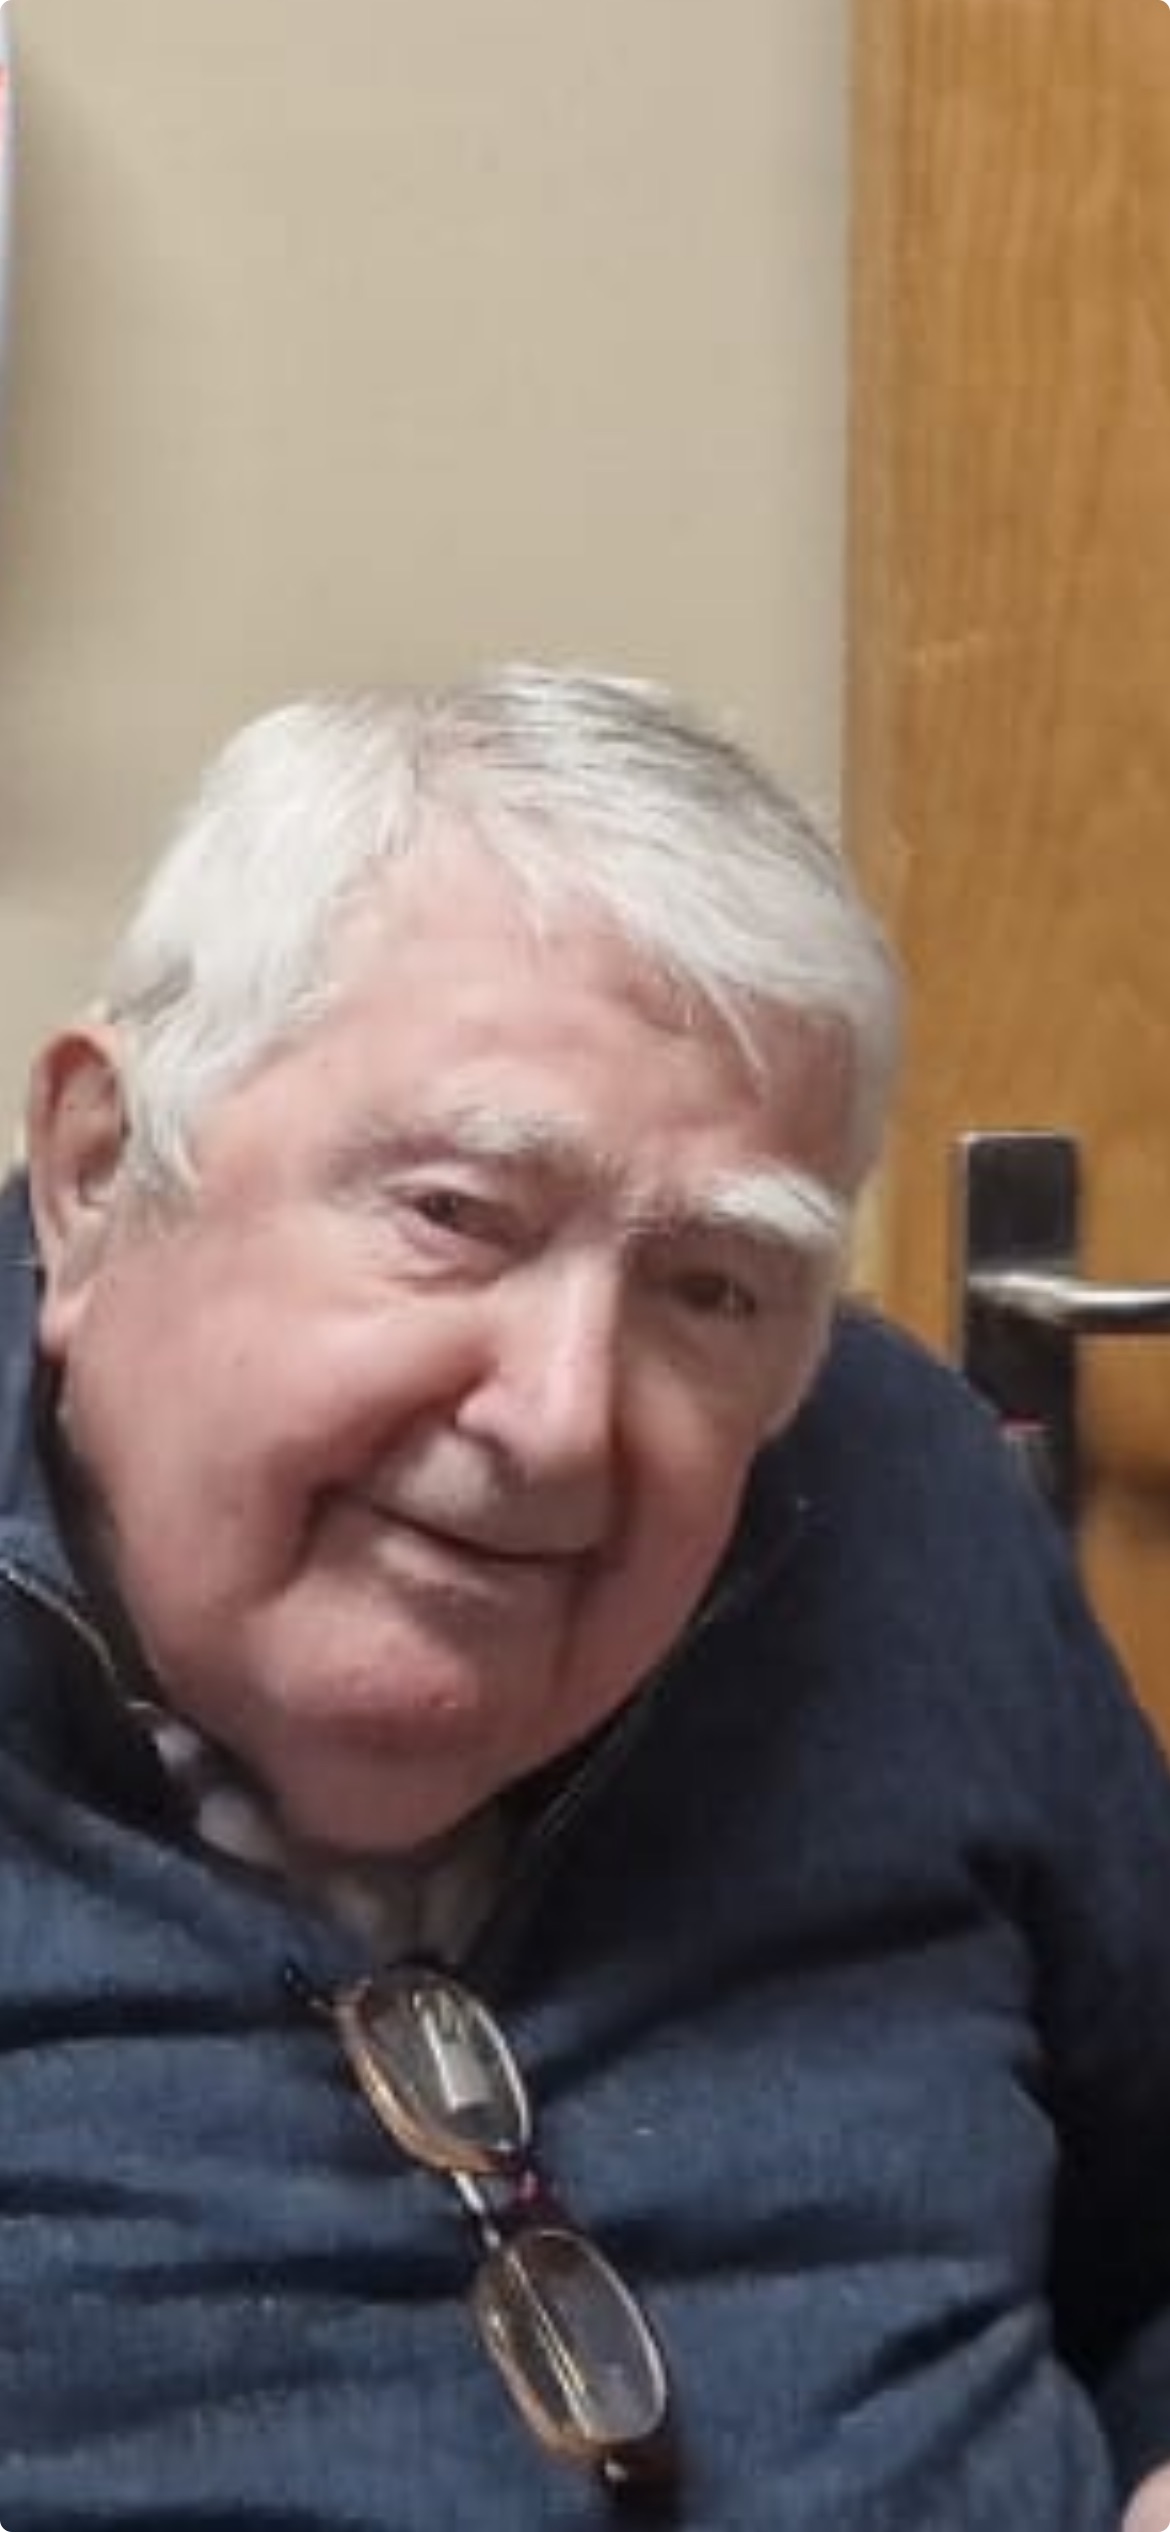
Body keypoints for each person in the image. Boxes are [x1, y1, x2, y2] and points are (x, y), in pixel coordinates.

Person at [1, 665, 1168, 2532]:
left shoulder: (891, 1496)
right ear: (95, 1173)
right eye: (455, 1214)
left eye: (711, 1288)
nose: (556, 1419)